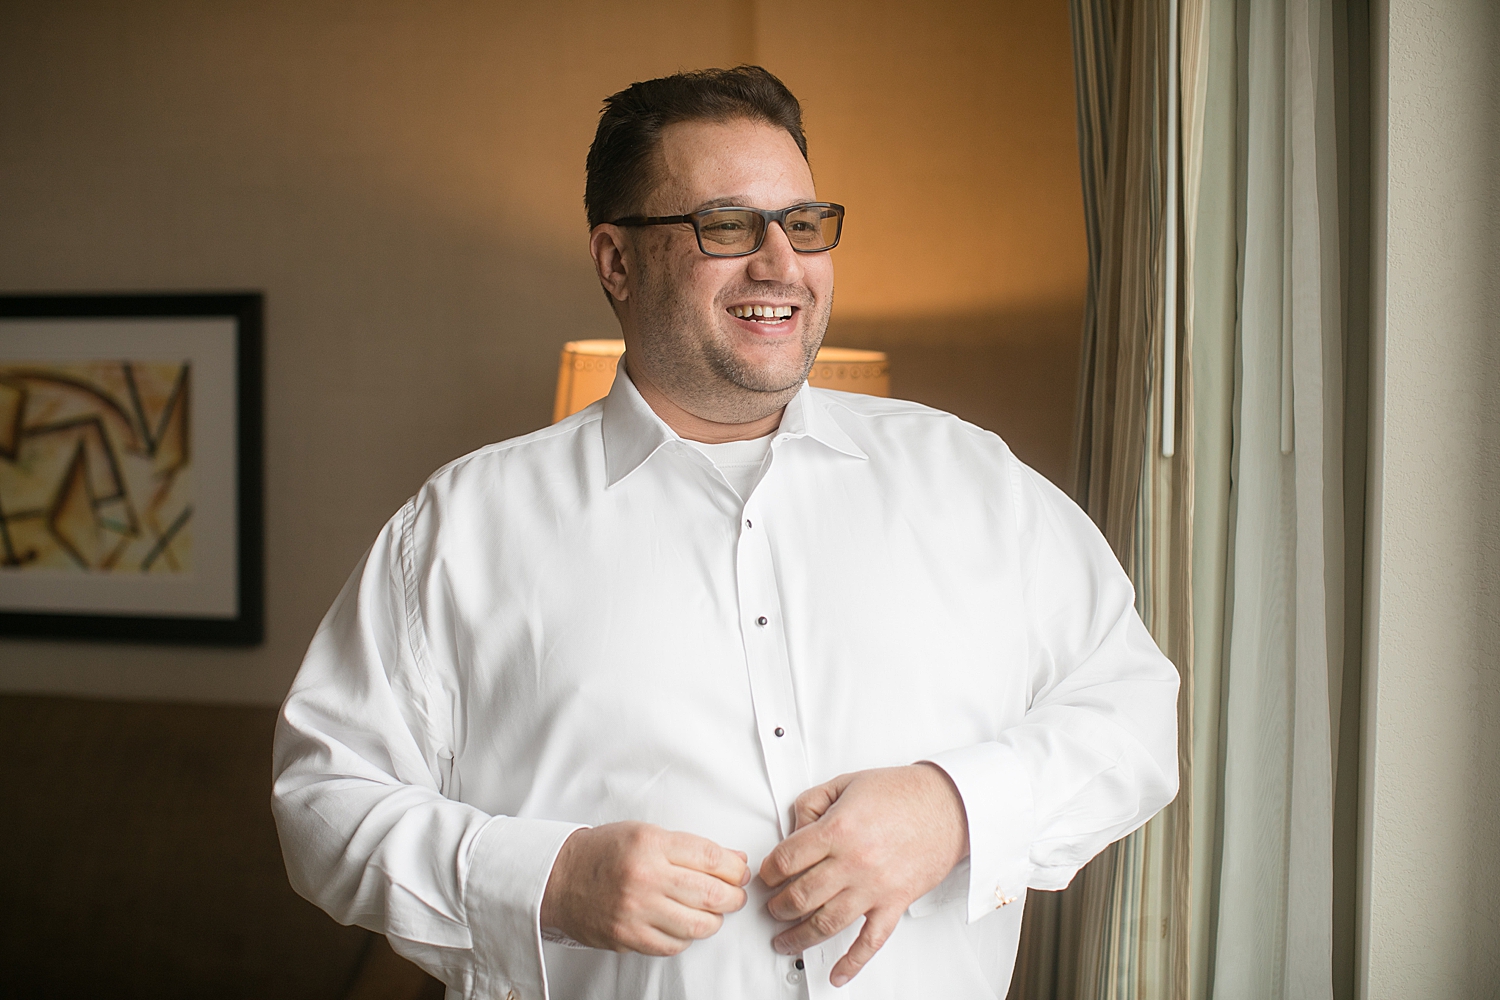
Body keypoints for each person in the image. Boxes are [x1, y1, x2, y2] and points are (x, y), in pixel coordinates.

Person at [272, 65, 1179, 1000]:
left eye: (803, 224)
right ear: (616, 261)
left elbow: (1136, 711)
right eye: (727, 226)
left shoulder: (974, 481)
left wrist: (950, 810)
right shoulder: (461, 527)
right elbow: (323, 804)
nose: (781, 264)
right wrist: (547, 880)